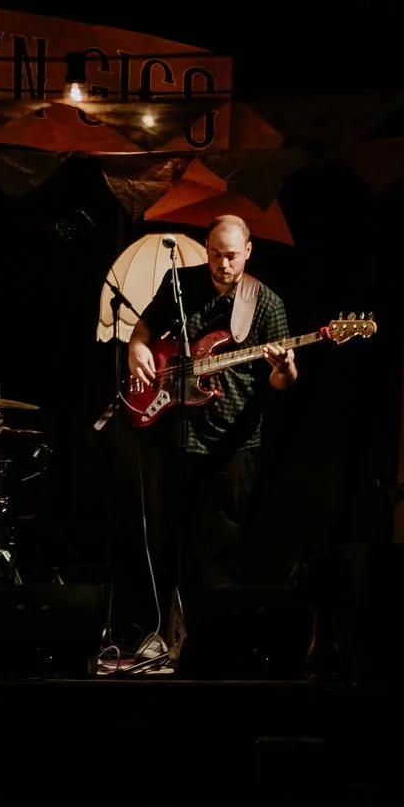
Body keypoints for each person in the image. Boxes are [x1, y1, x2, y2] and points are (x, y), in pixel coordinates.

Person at [124, 215, 299, 653]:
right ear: (207, 247)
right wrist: (138, 347)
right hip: (176, 432)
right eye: (217, 254)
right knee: (166, 539)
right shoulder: (181, 284)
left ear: (249, 251)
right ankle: (162, 634)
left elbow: (282, 384)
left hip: (234, 442)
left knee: (221, 548)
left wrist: (285, 369)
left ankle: (214, 643)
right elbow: (145, 327)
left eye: (232, 256)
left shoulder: (266, 304)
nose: (223, 264)